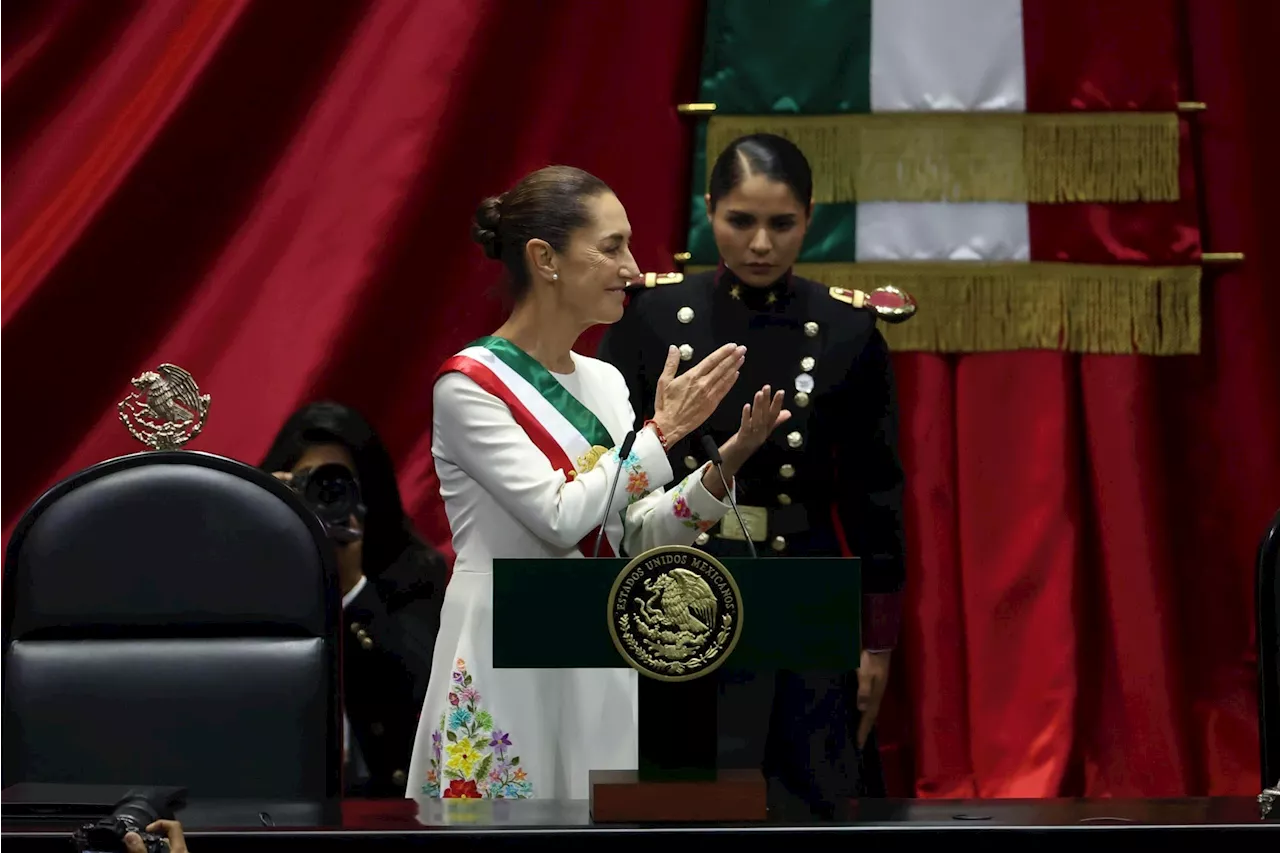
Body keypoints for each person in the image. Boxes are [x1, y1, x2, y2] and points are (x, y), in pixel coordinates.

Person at [405, 165, 788, 801]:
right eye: (611, 248)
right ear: (544, 258)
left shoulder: (606, 382)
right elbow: (560, 518)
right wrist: (661, 433)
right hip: (506, 639)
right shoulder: (469, 387)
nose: (633, 269)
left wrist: (724, 468)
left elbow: (633, 536)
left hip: (594, 637)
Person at [597, 133, 907, 815]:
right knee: (677, 800)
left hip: (800, 576)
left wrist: (876, 642)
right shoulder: (650, 317)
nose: (761, 243)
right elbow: (613, 470)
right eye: (741, 221)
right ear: (709, 211)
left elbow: (875, 494)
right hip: (678, 580)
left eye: (781, 223)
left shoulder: (846, 328)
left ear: (811, 216)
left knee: (807, 797)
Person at [261, 401, 447, 797]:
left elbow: (418, 696)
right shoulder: (250, 575)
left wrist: (352, 586)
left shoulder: (414, 573)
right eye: (306, 482)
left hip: (382, 798)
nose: (321, 499)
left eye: (337, 486)